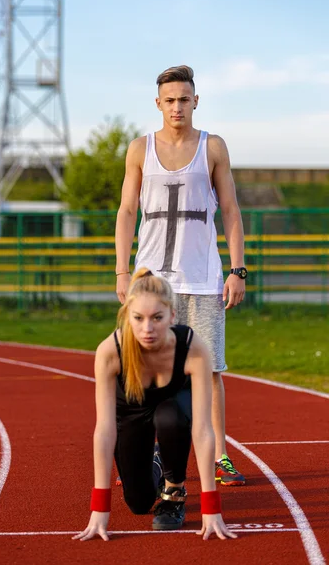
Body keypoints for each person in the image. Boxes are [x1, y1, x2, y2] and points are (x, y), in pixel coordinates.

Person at [115, 65, 247, 486]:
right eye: (169, 100)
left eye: (184, 99)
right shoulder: (139, 149)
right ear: (158, 104)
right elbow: (126, 211)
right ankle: (152, 452)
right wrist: (122, 270)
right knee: (148, 367)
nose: (177, 106)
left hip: (203, 279)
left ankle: (220, 457)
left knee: (210, 370)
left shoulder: (213, 147)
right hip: (153, 282)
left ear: (195, 101)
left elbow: (229, 209)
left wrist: (237, 269)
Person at [73, 269, 237, 541]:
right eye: (138, 318)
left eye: (157, 318)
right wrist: (99, 509)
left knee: (170, 417)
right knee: (138, 503)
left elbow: (203, 429)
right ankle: (157, 462)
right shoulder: (110, 351)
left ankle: (174, 491)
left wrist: (211, 508)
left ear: (173, 316)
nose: (147, 329)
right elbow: (104, 430)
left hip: (173, 407)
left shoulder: (192, 346)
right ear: (127, 317)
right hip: (130, 412)